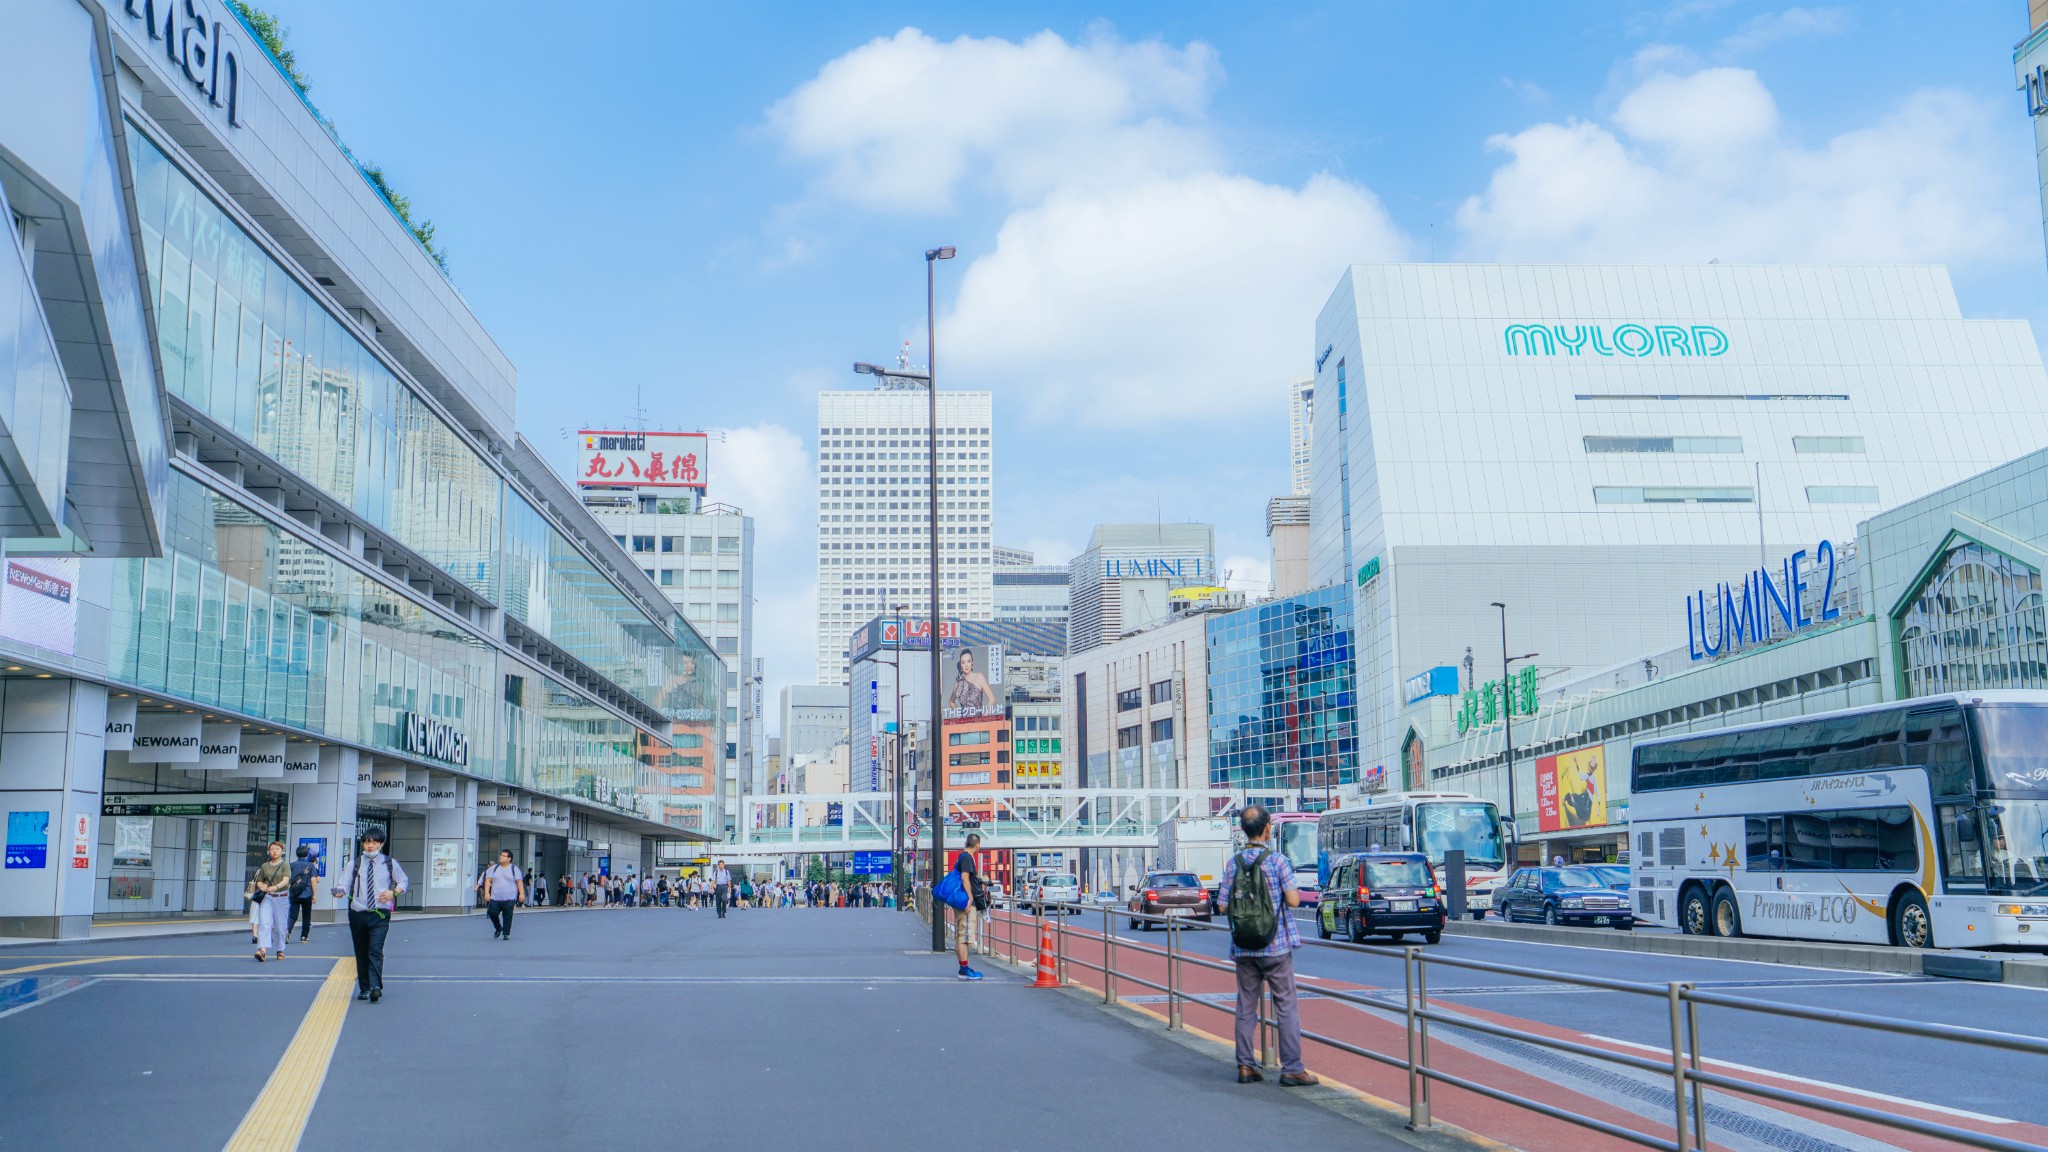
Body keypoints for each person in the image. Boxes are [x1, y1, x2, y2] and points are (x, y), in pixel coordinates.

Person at [1221, 805, 1318, 1087]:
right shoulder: (1277, 861)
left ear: (1242, 830)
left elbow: (1224, 904)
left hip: (1243, 947)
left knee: (1246, 1006)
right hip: (1275, 945)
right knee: (1285, 1005)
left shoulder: (1233, 863)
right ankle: (1292, 1069)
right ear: (1267, 828)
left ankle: (1246, 1066)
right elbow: (1294, 901)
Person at [333, 828, 409, 1003]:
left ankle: (375, 986)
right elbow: (343, 884)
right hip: (358, 913)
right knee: (361, 951)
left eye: (374, 842)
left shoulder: (389, 863)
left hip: (380, 914)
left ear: (381, 844)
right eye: (367, 842)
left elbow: (403, 881)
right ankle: (364, 987)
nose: (370, 845)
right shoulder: (355, 863)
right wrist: (339, 892)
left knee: (375, 949)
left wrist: (394, 892)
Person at [950, 833, 985, 980]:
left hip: (959, 900)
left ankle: (963, 967)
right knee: (964, 936)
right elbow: (965, 877)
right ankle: (964, 970)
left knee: (960, 935)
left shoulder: (961, 857)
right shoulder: (967, 858)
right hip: (965, 902)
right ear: (977, 845)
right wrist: (971, 898)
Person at [250, 841, 291, 961]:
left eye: (277, 849)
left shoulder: (285, 865)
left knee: (280, 926)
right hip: (267, 897)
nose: (274, 851)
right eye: (272, 849)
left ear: (282, 851)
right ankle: (262, 949)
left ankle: (280, 949)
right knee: (264, 923)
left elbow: (286, 880)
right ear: (269, 851)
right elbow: (259, 881)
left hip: (281, 897)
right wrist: (262, 886)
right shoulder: (265, 866)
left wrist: (276, 887)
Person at [478, 849, 525, 941]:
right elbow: (488, 880)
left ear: (509, 858)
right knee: (492, 913)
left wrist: (521, 894)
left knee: (507, 916)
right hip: (495, 898)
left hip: (510, 898)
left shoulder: (514, 869)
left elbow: (519, 882)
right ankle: (498, 928)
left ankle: (506, 933)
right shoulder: (494, 868)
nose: (501, 857)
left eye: (504, 856)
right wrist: (487, 893)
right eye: (501, 855)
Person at [287, 843, 318, 945]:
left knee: (293, 915)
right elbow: (313, 880)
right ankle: (304, 937)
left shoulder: (291, 865)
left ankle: (287, 931)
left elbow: (287, 881)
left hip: (294, 893)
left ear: (297, 854)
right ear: (306, 854)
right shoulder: (310, 865)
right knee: (306, 916)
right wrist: (314, 894)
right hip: (307, 893)